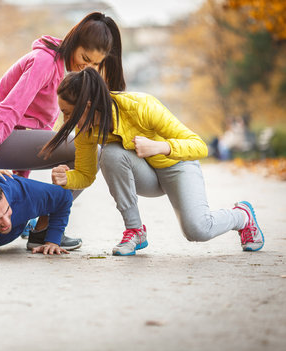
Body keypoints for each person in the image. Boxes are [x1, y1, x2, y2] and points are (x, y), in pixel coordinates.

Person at [41, 68, 264, 256]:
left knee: (197, 230)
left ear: (87, 106)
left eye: (68, 113)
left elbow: (199, 146)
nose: (66, 121)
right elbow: (86, 175)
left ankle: (241, 216)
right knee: (109, 153)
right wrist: (67, 178)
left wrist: (161, 146)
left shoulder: (140, 106)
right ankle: (135, 231)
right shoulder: (86, 131)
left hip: (178, 166)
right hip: (148, 175)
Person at [0, 12, 125, 246]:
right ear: (73, 42)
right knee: (87, 152)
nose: (88, 66)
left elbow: (37, 128)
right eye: (85, 57)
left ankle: (41, 227)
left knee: (85, 151)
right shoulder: (44, 62)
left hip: (11, 139)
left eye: (96, 63)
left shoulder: (64, 70)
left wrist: (20, 183)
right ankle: (44, 230)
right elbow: (10, 110)